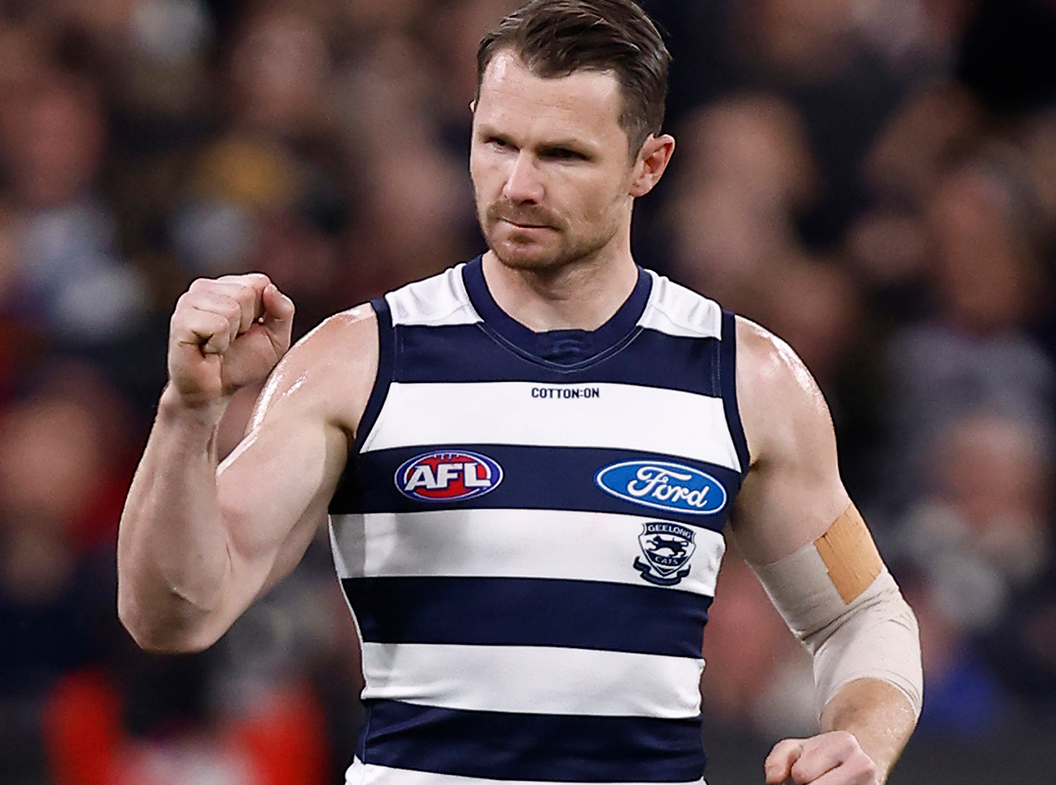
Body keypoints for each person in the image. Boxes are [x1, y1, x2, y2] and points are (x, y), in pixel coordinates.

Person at [116, 1, 923, 784]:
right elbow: (174, 613)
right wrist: (187, 413)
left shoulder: (745, 378)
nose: (519, 184)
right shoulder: (359, 361)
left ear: (650, 164)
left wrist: (860, 739)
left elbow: (862, 616)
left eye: (562, 155)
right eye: (497, 143)